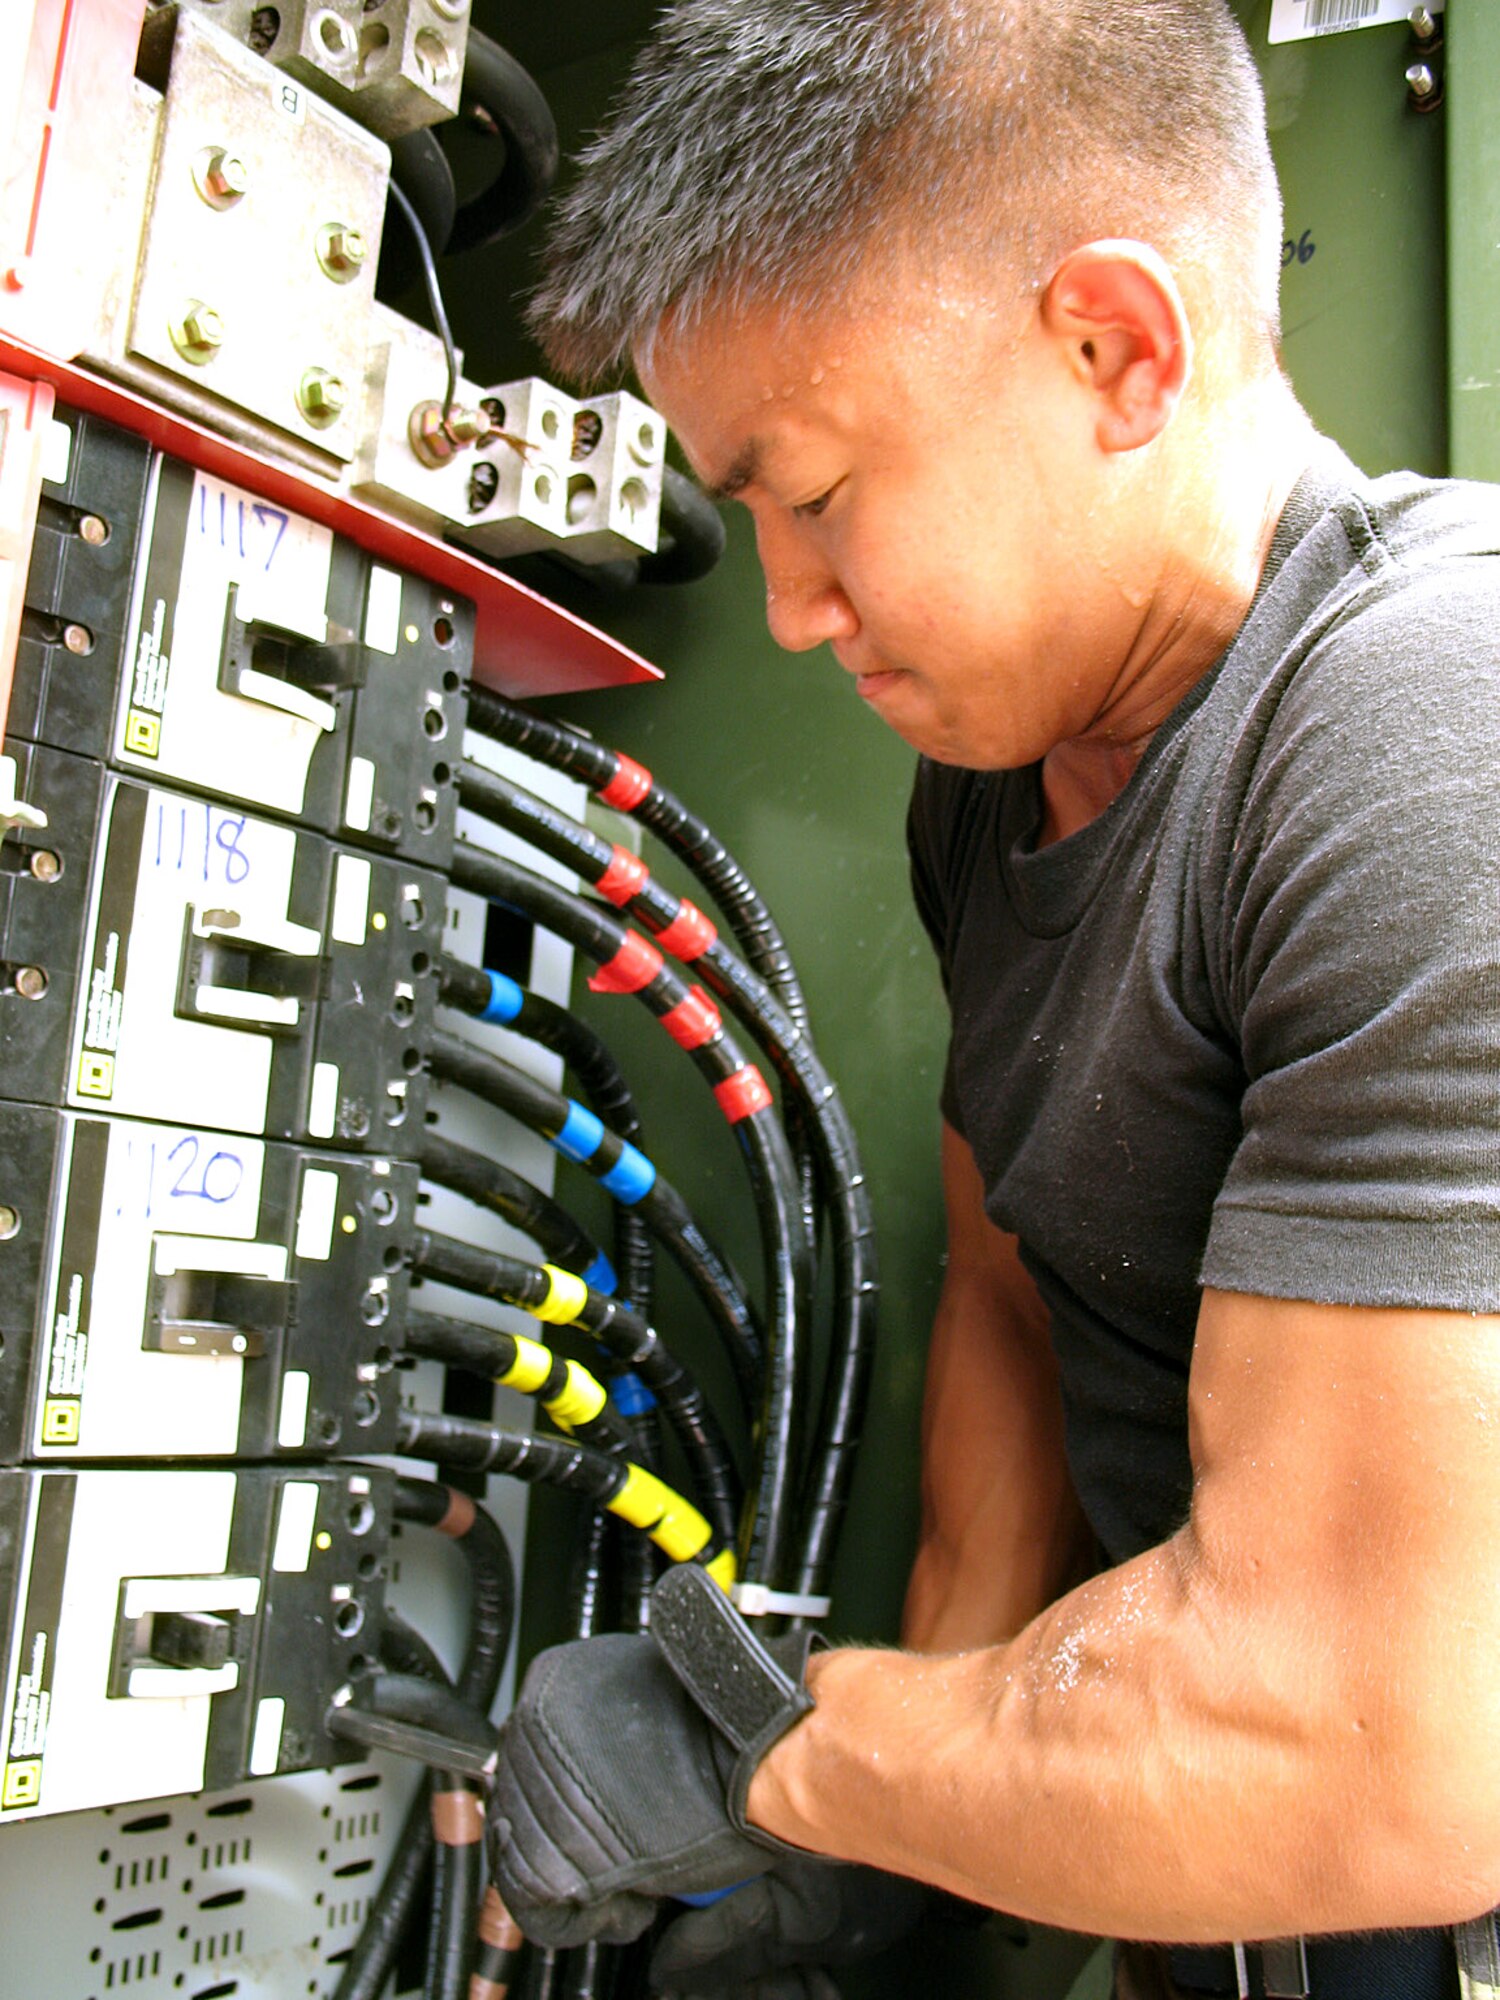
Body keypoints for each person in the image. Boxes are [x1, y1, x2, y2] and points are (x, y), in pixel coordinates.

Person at [487, 3, 1500, 1996]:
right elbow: (1022, 1290)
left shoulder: (1422, 725)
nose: (784, 605)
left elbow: (1371, 1749)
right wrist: (910, 1846)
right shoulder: (994, 784)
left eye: (819, 492)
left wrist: (788, 1757)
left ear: (1112, 350)